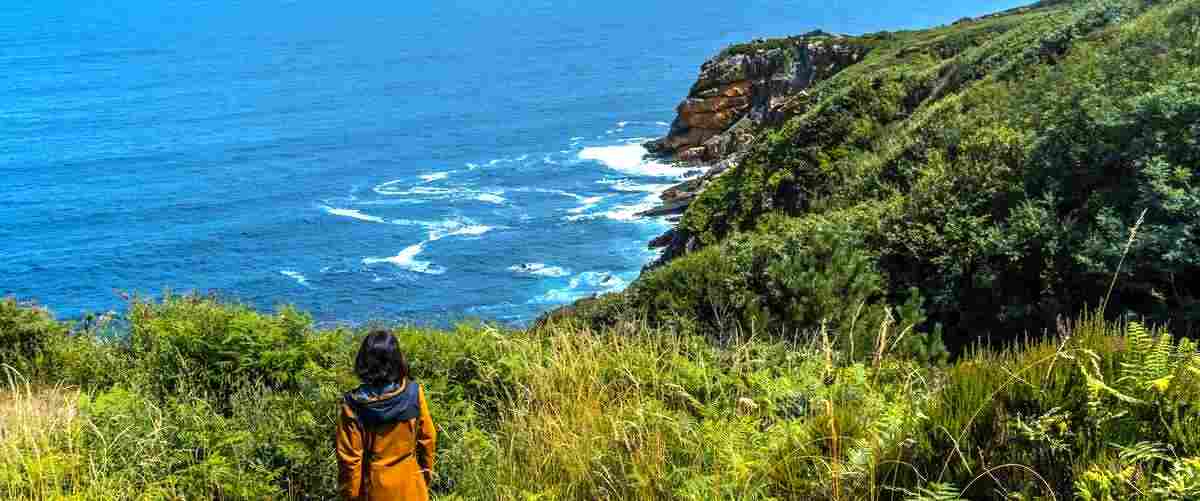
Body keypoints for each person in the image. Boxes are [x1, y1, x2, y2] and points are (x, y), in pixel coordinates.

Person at [337, 330, 436, 501]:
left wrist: (351, 496)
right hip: (411, 485)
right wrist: (424, 479)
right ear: (396, 359)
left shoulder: (353, 405)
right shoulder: (414, 393)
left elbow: (350, 462)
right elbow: (428, 439)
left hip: (374, 489)